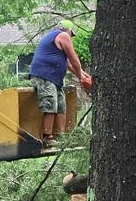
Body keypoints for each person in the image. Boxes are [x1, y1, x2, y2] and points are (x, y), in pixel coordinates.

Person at [28, 20, 90, 148]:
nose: (71, 38)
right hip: (44, 75)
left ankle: (61, 136)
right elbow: (73, 58)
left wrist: (83, 74)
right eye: (71, 35)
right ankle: (47, 137)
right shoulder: (62, 35)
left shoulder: (54, 42)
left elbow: (67, 63)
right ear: (67, 30)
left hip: (54, 78)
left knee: (61, 105)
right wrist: (80, 77)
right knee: (50, 103)